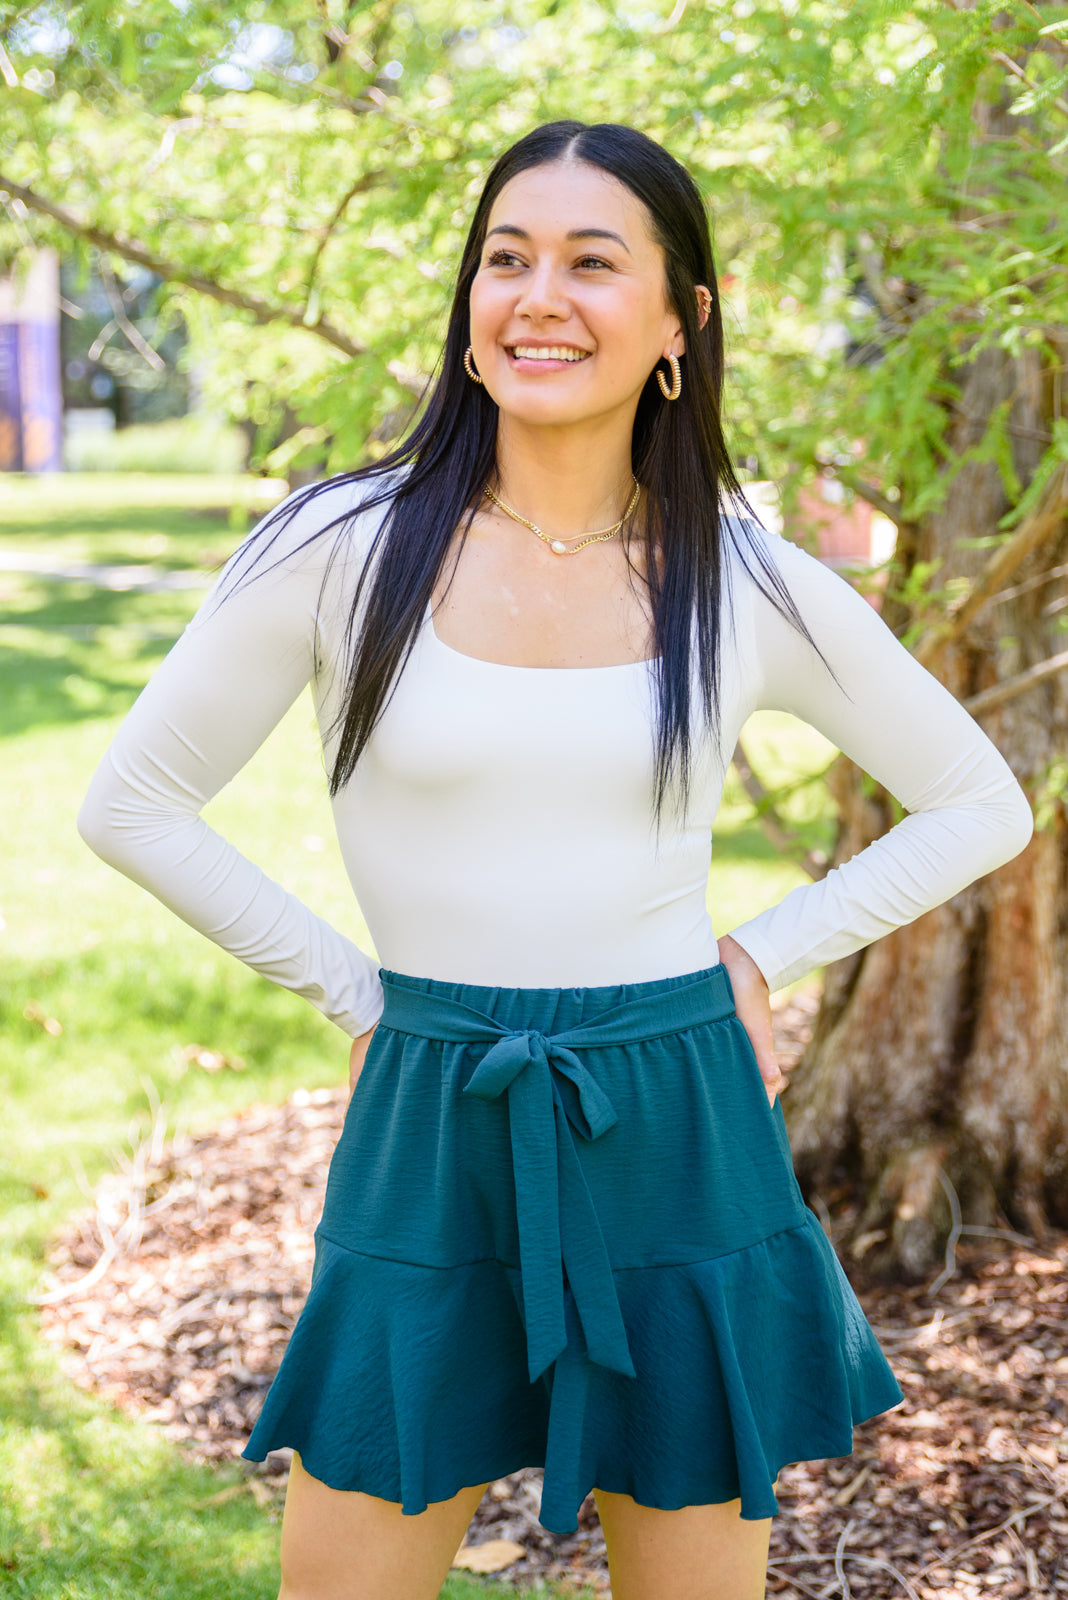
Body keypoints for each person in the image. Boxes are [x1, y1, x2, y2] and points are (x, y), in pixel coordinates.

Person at [78, 120, 1034, 1600]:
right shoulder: (341, 544)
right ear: (467, 311)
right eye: (506, 258)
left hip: (676, 1112)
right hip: (434, 1102)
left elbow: (979, 799)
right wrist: (354, 992)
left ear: (677, 321)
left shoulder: (747, 576)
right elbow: (133, 799)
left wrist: (763, 954)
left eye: (596, 262)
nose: (540, 295)